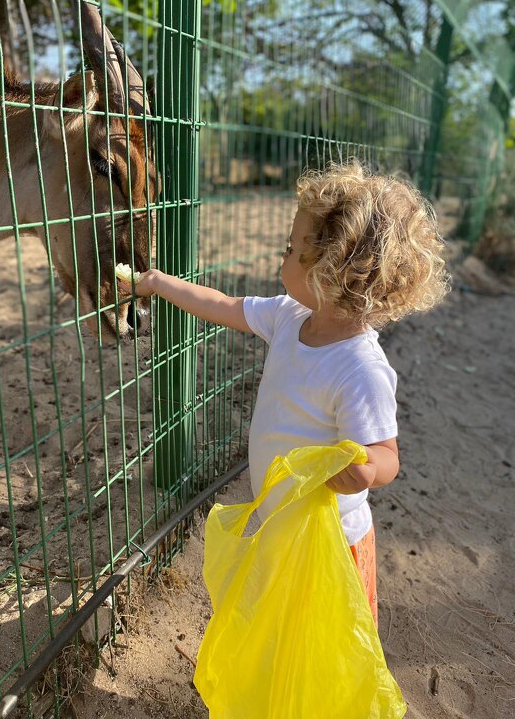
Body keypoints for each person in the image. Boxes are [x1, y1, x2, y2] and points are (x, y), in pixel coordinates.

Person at [120, 160, 450, 625]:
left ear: (333, 271)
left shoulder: (360, 370)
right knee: (281, 627)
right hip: (281, 524)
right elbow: (222, 306)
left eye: (292, 249)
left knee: (323, 638)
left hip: (331, 541)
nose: (283, 255)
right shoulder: (289, 316)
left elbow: (388, 455)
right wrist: (158, 283)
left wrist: (366, 468)